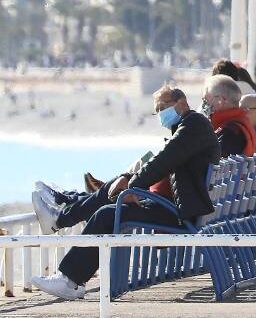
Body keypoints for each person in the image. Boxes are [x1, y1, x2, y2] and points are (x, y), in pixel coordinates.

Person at [30, 85, 221, 300]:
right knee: (108, 207)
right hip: (183, 209)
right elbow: (164, 161)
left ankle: (69, 280)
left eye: (162, 108)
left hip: (180, 214)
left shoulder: (193, 125)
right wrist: (130, 180)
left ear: (182, 103)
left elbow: (164, 160)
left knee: (106, 214)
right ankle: (70, 272)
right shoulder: (193, 126)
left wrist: (132, 185)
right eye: (156, 111)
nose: (160, 115)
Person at [203, 76, 256, 156]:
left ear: (220, 101)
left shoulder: (230, 132)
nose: (204, 104)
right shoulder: (240, 122)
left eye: (206, 100)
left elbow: (210, 161)